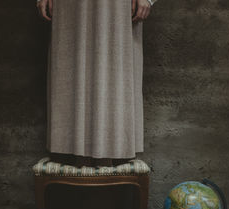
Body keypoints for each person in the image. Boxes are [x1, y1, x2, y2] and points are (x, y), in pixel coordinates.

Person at [36, 0, 157, 167]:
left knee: (114, 74)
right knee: (72, 72)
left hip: (117, 7)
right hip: (71, 7)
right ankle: (81, 172)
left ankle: (106, 176)